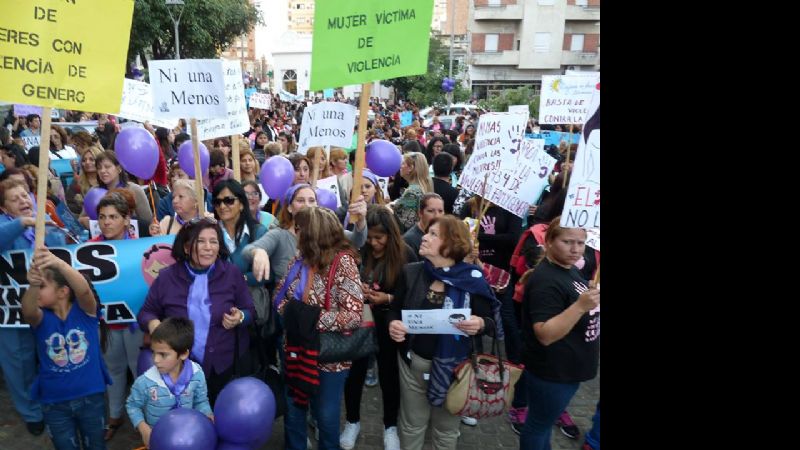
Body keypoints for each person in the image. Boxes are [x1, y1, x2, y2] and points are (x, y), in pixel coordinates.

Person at [387, 215, 498, 450]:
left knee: (446, 431)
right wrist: (393, 325)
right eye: (427, 232)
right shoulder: (411, 272)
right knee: (411, 425)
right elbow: (395, 310)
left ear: (452, 243)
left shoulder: (473, 280)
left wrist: (479, 323)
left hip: (456, 371)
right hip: (412, 365)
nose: (424, 237)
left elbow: (493, 323)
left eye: (434, 234)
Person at [138, 217, 256, 405]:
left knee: (221, 419)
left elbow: (250, 311)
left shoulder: (231, 273)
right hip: (181, 367)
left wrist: (240, 317)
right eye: (200, 241)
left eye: (214, 241)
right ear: (186, 247)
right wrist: (154, 325)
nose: (208, 247)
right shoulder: (167, 277)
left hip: (224, 366)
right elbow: (146, 313)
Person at [274, 206, 364, 450]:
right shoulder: (298, 260)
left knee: (325, 417)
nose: (295, 233)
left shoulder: (343, 262)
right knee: (293, 412)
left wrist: (309, 320)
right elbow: (280, 297)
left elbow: (353, 316)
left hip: (328, 359)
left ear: (312, 233)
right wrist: (295, 315)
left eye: (299, 229)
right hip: (295, 349)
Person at [519, 217, 600, 450]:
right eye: (568, 242)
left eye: (581, 243)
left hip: (567, 369)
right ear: (550, 241)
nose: (576, 249)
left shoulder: (567, 269)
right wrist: (580, 306)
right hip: (553, 371)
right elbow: (544, 333)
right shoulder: (546, 279)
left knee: (541, 425)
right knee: (538, 426)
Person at [340, 206, 417, 450]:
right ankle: (352, 421)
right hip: (360, 322)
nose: (373, 243)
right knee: (355, 375)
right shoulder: (360, 248)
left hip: (389, 325)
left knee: (388, 375)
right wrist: (357, 290)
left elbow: (413, 296)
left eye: (379, 238)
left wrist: (388, 299)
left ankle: (390, 426)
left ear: (391, 235)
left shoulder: (406, 254)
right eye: (370, 237)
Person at [22, 246, 110, 450]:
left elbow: (84, 290)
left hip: (92, 399)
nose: (36, 292)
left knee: (96, 446)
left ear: (63, 292)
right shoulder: (41, 319)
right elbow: (27, 311)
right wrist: (34, 283)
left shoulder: (85, 313)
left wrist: (56, 262)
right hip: (54, 404)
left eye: (42, 286)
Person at [0, 178, 68, 436]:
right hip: (12, 313)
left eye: (25, 195)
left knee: (52, 354)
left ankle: (55, 399)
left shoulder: (45, 222)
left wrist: (53, 233)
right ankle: (31, 411)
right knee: (19, 363)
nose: (23, 201)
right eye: (14, 199)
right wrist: (23, 223)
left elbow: (65, 252)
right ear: (5, 209)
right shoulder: (6, 225)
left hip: (46, 307)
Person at [126, 318, 213, 448]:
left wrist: (207, 414)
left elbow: (200, 401)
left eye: (163, 354)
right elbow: (132, 405)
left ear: (183, 354)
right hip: (158, 441)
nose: (155, 360)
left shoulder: (197, 374)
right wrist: (143, 428)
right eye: (154, 352)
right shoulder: (145, 381)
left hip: (188, 439)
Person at [79, 151, 153, 228]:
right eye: (99, 168)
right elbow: (80, 219)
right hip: (100, 239)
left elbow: (148, 222)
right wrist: (84, 221)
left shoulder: (134, 189)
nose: (102, 171)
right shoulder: (93, 192)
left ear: (119, 168)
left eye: (107, 167)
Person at [390, 152, 433, 233]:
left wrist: (389, 210)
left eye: (403, 164)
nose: (400, 166)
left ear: (410, 168)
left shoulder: (412, 192)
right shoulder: (424, 185)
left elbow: (404, 222)